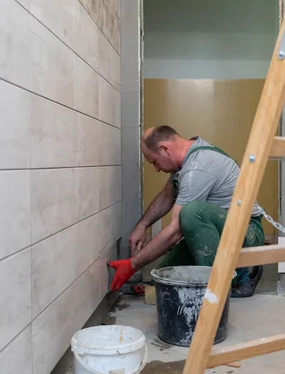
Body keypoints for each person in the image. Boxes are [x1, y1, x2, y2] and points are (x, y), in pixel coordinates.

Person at [108, 125, 265, 297]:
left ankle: (237, 277)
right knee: (165, 275)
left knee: (191, 213)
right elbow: (166, 196)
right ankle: (217, 271)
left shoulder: (197, 168)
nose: (157, 168)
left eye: (154, 161)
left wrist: (132, 265)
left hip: (247, 232)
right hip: (219, 231)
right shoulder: (187, 158)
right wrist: (142, 225)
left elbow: (176, 231)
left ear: (165, 149)